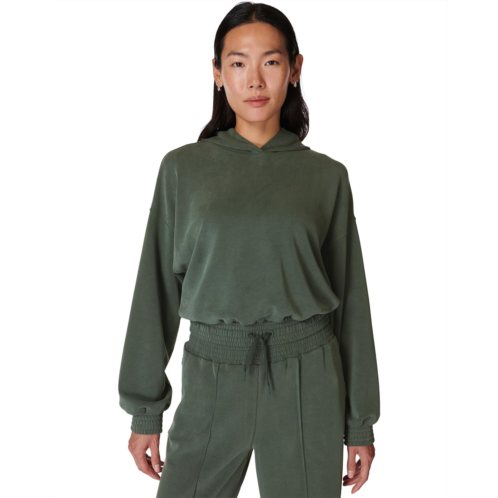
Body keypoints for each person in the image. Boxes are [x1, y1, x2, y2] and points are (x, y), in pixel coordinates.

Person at [118, 2, 380, 497]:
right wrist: (145, 410)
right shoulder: (182, 169)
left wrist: (359, 423)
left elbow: (352, 302)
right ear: (217, 73)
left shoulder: (326, 176)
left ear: (295, 69)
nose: (255, 80)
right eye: (238, 63)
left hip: (308, 374)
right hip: (213, 371)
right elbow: (155, 291)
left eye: (271, 62)